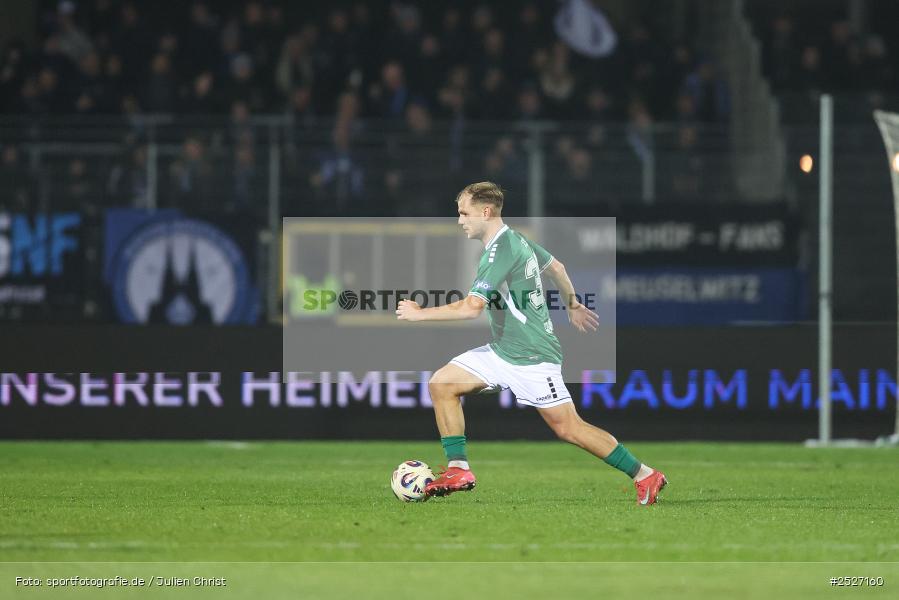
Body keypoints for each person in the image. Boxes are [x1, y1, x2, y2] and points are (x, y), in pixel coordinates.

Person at [395, 181, 668, 505]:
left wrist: (419, 313)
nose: (460, 221)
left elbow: (471, 307)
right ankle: (458, 468)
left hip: (533, 356)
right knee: (442, 383)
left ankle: (645, 474)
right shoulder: (515, 240)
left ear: (485, 212)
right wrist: (572, 304)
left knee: (568, 428)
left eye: (464, 213)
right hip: (504, 350)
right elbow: (557, 268)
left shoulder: (502, 250)